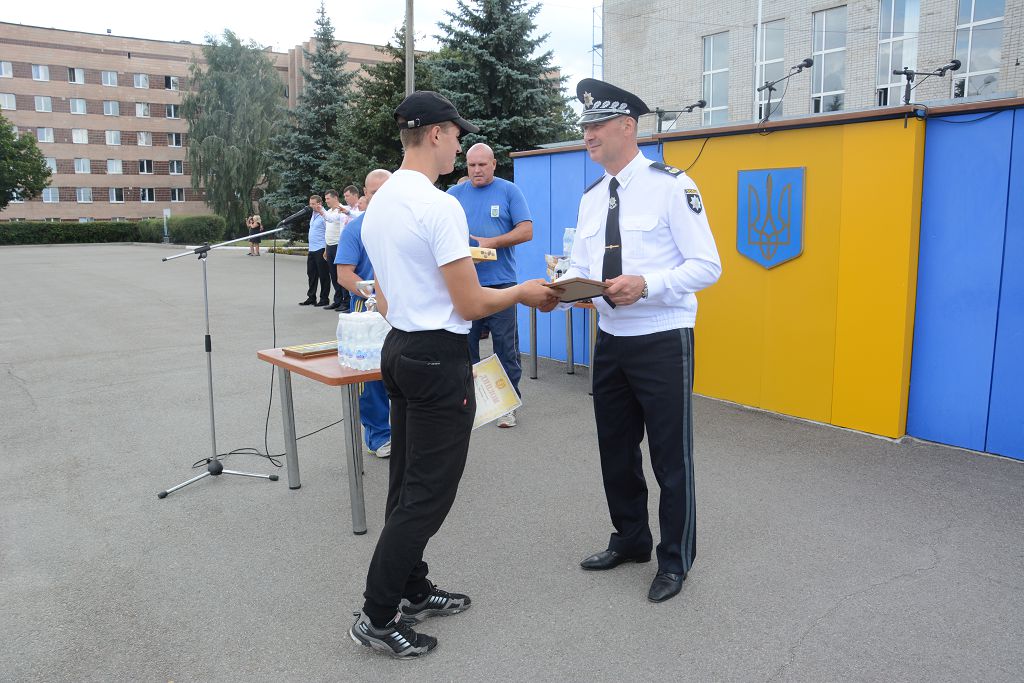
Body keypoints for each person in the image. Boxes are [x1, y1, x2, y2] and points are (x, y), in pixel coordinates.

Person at [350, 90, 558, 658]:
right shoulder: (439, 206)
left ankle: (411, 588)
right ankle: (377, 615)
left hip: (399, 348)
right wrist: (522, 291)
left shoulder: (380, 203)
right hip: (437, 356)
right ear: (437, 134)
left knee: (405, 485)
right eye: (457, 136)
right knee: (427, 496)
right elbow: (470, 304)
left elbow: (384, 298)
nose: (460, 148)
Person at [558, 78, 721, 604]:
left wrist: (648, 284)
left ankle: (675, 560)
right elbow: (582, 266)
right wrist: (567, 288)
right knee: (616, 449)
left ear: (627, 127)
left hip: (661, 339)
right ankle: (631, 539)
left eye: (597, 125)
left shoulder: (672, 186)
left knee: (671, 458)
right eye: (584, 126)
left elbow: (707, 266)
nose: (587, 134)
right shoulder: (591, 198)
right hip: (610, 339)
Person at [448, 143, 533, 427]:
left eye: (482, 164)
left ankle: (508, 405)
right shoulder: (453, 195)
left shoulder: (509, 191)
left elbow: (526, 230)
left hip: (501, 284)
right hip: (464, 284)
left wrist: (491, 243)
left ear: (494, 164)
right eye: (471, 165)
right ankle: (469, 403)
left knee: (505, 347)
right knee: (464, 348)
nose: (477, 170)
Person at [335, 169, 393, 459]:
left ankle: (409, 431)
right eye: (374, 193)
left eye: (386, 192)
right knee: (371, 377)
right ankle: (379, 434)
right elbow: (345, 275)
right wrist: (375, 295)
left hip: (406, 310)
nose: (380, 197)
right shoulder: (355, 229)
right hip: (368, 311)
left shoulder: (409, 224)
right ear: (365, 195)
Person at [318, 189, 350, 312]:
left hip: (338, 245)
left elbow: (331, 219)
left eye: (328, 199)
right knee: (334, 275)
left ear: (335, 198)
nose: (326, 201)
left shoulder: (341, 210)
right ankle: (338, 300)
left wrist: (321, 210)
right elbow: (328, 230)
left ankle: (346, 302)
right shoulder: (329, 211)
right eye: (325, 199)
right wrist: (326, 248)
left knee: (341, 274)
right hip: (330, 246)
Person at [300, 195, 330, 307]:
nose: (311, 206)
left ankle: (324, 299)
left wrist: (326, 249)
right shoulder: (313, 214)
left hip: (321, 248)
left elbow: (328, 232)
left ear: (319, 204)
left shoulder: (324, 215)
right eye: (310, 203)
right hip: (312, 249)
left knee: (323, 275)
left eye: (313, 204)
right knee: (311, 274)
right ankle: (311, 297)